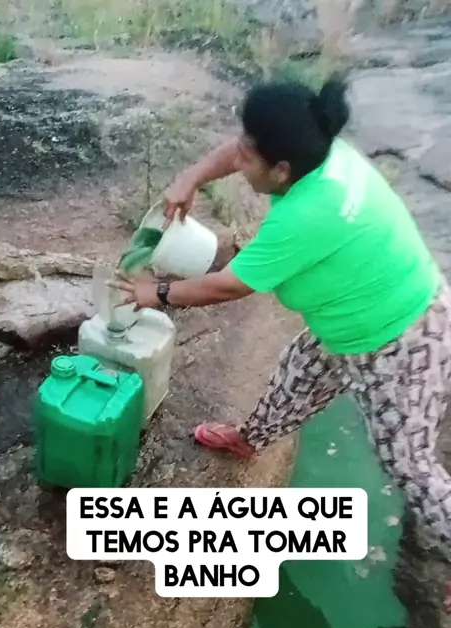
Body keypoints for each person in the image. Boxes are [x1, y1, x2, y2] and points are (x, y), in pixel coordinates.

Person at [114, 74, 451, 557]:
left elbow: (230, 284)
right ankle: (249, 439)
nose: (238, 156)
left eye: (249, 155)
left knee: (408, 465)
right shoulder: (315, 151)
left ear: (280, 169)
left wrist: (157, 293)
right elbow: (239, 149)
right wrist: (189, 179)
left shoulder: (308, 214)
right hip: (348, 317)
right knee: (298, 373)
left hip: (402, 337)